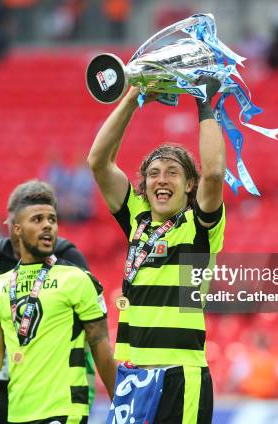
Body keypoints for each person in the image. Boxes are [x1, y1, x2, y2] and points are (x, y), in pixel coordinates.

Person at [87, 76, 226, 423]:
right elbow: (99, 162)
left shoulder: (198, 227)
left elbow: (214, 173)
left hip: (181, 373)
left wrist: (203, 102)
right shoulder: (137, 218)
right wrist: (134, 96)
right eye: (153, 173)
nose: (161, 179)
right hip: (134, 376)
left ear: (189, 184)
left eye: (173, 173)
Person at [0, 180, 116, 424]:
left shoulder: (77, 279)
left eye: (52, 219)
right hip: (19, 411)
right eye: (37, 219)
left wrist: (121, 402)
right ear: (17, 229)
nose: (47, 226)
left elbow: (100, 345)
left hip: (65, 409)